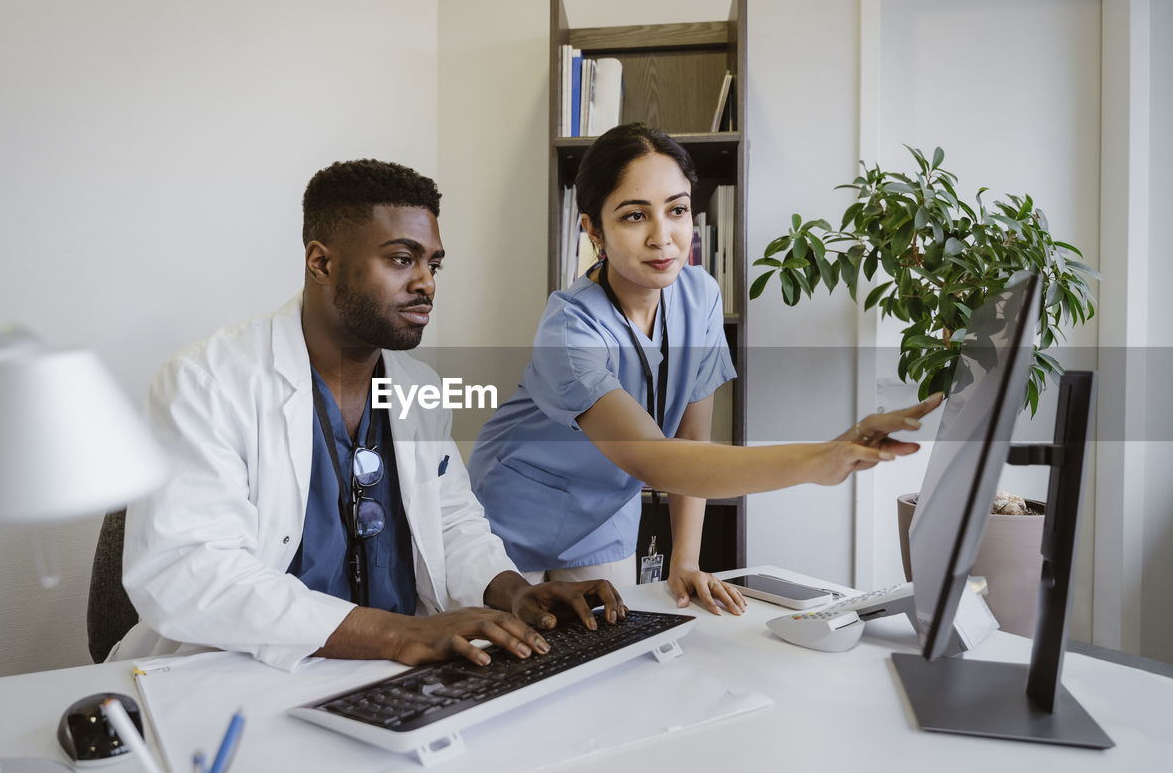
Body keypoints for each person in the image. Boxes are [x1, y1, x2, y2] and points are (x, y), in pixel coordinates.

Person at [111, 159, 624, 672]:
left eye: (433, 264)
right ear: (321, 262)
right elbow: (193, 573)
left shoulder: (418, 387)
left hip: (391, 674)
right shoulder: (207, 384)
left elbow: (451, 523)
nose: (426, 283)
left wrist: (513, 593)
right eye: (402, 260)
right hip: (244, 674)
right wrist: (399, 634)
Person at [468, 124, 941, 616]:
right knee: (512, 655)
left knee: (602, 651)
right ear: (592, 229)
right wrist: (817, 460)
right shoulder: (570, 328)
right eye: (634, 216)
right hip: (512, 514)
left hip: (604, 517)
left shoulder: (700, 296)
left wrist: (686, 558)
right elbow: (653, 458)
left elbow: (692, 442)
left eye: (676, 210)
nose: (663, 237)